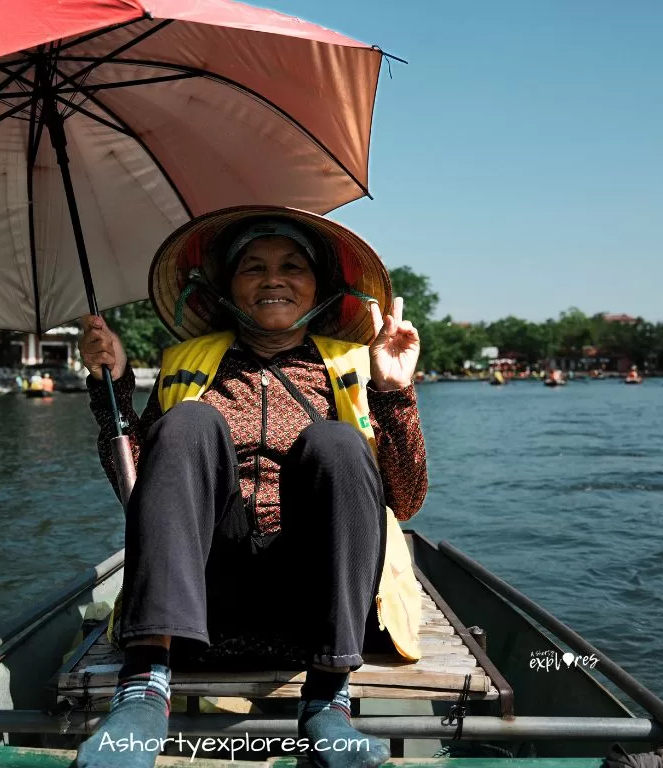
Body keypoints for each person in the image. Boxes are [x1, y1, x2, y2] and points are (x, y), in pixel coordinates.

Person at [78, 207, 428, 768]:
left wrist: (394, 393)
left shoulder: (357, 366)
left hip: (317, 611)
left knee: (337, 443)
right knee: (189, 423)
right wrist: (112, 386)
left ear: (320, 286)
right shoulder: (186, 366)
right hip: (206, 612)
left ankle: (328, 697)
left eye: (292, 265)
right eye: (253, 267)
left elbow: (406, 500)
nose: (273, 278)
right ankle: (144, 683)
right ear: (226, 288)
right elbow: (140, 491)